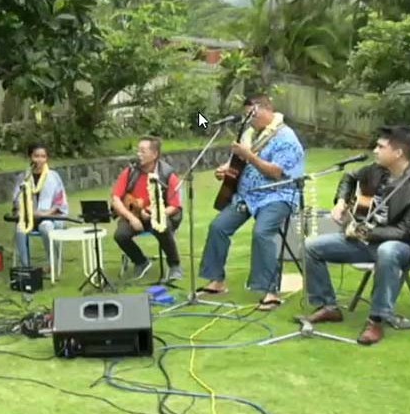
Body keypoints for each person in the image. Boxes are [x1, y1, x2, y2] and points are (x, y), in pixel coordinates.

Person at [302, 125, 410, 345]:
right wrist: (341, 202)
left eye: (381, 147)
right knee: (311, 246)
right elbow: (349, 177)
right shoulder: (376, 170)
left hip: (401, 246)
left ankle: (377, 320)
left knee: (387, 251)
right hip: (365, 239)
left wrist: (364, 231)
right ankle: (328, 306)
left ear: (398, 153)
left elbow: (407, 231)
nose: (375, 150)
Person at [197, 94, 306, 310]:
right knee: (218, 227)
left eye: (251, 115)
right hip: (248, 195)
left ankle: (270, 292)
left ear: (265, 109)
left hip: (278, 195)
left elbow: (275, 172)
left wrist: (249, 155)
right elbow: (240, 163)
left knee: (262, 233)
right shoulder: (250, 135)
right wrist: (227, 170)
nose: (248, 120)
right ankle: (216, 281)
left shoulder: (286, 137)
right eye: (246, 116)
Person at [110, 136, 184, 282]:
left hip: (157, 214)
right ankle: (141, 262)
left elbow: (175, 206)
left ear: (154, 154)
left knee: (161, 225)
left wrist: (154, 213)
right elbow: (116, 199)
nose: (139, 154)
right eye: (138, 151)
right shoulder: (130, 171)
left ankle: (174, 265)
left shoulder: (168, 174)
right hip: (134, 214)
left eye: (143, 151)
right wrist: (132, 218)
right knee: (120, 235)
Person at [12, 143, 69, 268]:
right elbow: (16, 200)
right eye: (36, 156)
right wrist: (27, 211)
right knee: (20, 228)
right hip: (29, 217)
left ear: (47, 158)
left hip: (50, 217)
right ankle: (26, 267)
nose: (39, 160)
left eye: (43, 156)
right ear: (30, 157)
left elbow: (60, 202)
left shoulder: (53, 176)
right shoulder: (24, 177)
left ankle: (53, 264)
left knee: (45, 227)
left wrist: (44, 213)